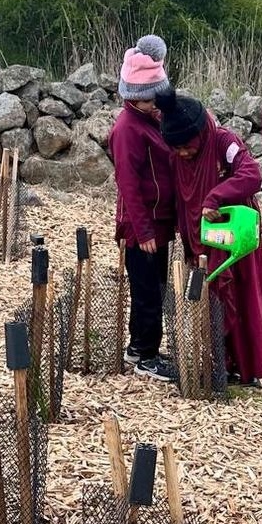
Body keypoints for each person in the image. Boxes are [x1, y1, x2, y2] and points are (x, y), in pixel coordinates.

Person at [156, 87, 262, 388]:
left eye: (187, 146)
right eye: (177, 149)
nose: (183, 153)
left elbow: (251, 174)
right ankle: (219, 364)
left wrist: (216, 196)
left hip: (234, 237)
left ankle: (246, 369)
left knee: (241, 298)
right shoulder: (178, 158)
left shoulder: (224, 141)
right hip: (199, 240)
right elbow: (179, 200)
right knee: (210, 304)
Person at [108, 35, 176, 381]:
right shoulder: (127, 130)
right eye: (150, 100)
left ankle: (139, 346)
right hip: (141, 225)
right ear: (134, 96)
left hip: (158, 219)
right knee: (147, 290)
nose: (156, 104)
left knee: (155, 286)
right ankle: (146, 355)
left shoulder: (151, 120)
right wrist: (144, 230)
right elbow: (129, 186)